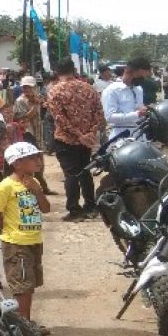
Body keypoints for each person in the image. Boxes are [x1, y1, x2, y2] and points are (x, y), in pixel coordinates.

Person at [0, 142, 50, 329]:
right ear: (17, 164)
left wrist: (37, 190)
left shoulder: (35, 183)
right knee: (21, 286)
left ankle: (26, 323)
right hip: (16, 243)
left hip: (33, 241)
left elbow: (46, 208)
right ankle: (24, 327)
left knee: (28, 285)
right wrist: (6, 233)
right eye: (32, 158)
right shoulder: (6, 186)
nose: (38, 161)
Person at [47, 60, 104, 221]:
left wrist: (79, 135)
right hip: (86, 141)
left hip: (66, 140)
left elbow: (60, 119)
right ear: (74, 70)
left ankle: (74, 209)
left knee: (71, 175)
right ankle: (90, 205)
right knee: (85, 172)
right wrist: (90, 133)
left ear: (57, 72)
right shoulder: (89, 88)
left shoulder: (55, 91)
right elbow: (99, 113)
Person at [12, 76, 53, 195]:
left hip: (37, 132)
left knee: (39, 161)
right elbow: (23, 118)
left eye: (29, 87)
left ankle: (42, 186)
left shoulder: (36, 99)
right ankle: (34, 188)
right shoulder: (20, 101)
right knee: (32, 161)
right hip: (27, 133)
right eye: (25, 87)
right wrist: (35, 106)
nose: (27, 89)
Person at [101, 57, 151, 137]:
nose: (142, 80)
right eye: (140, 77)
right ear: (128, 71)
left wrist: (145, 110)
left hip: (139, 135)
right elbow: (109, 117)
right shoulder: (112, 90)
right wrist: (137, 114)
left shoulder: (138, 89)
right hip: (121, 137)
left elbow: (139, 108)